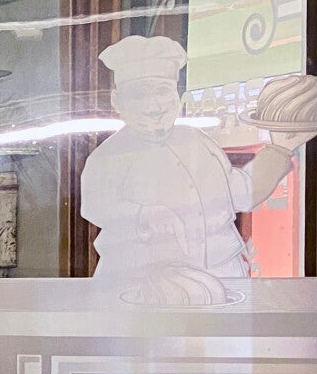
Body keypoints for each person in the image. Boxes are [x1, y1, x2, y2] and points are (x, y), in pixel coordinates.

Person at [79, 35, 302, 292]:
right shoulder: (108, 155)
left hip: (222, 275)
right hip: (143, 286)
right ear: (117, 101)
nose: (154, 105)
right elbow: (96, 206)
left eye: (162, 91)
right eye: (139, 94)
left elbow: (240, 192)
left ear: (177, 95)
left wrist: (281, 148)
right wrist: (144, 214)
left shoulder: (197, 141)